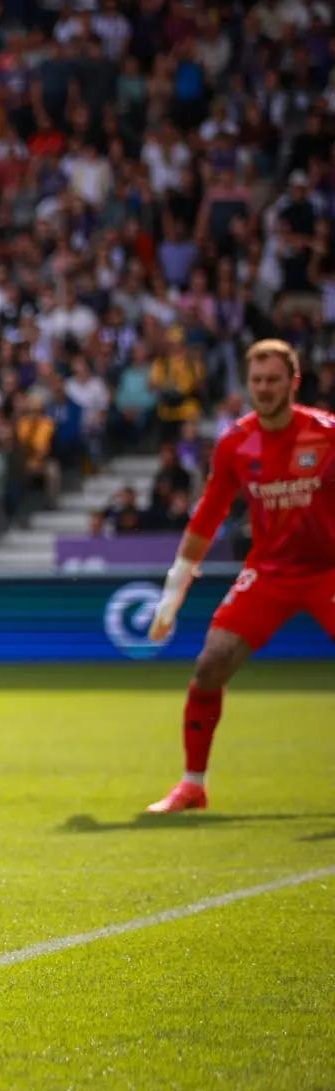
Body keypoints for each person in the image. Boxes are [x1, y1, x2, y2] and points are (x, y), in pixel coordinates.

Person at [144, 340, 335, 813]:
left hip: (328, 569)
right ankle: (192, 785)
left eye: (273, 380)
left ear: (293, 382)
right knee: (211, 664)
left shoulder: (326, 434)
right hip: (268, 571)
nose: (265, 389)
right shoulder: (235, 442)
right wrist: (172, 598)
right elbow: (206, 519)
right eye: (257, 381)